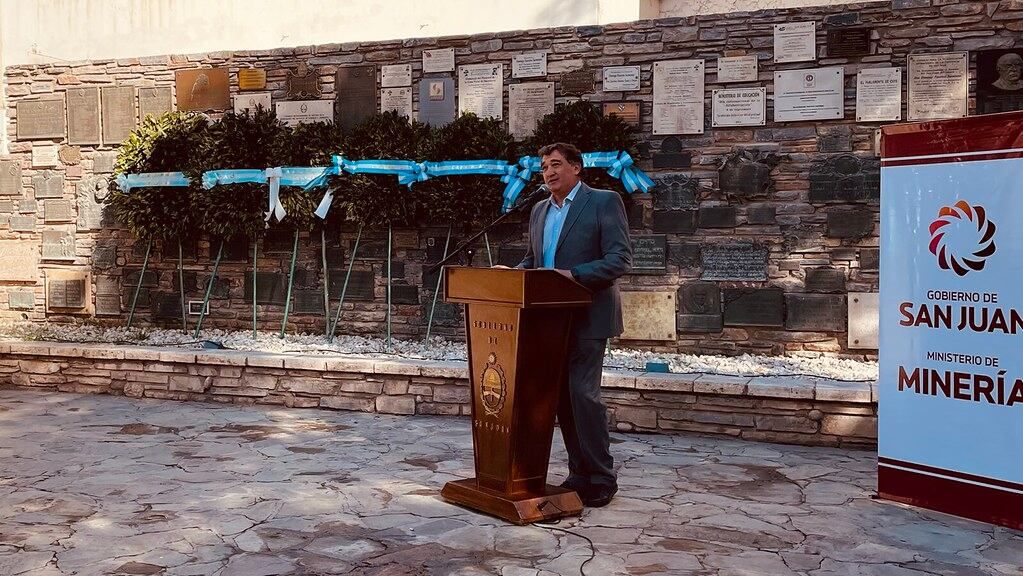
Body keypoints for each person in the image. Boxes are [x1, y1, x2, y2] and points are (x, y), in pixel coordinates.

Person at [515, 142, 632, 507]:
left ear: (576, 167)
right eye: (544, 168)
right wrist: (511, 275)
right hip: (548, 321)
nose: (548, 173)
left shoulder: (602, 202)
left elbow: (619, 259)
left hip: (588, 315)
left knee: (583, 395)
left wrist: (573, 275)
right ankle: (578, 472)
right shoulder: (537, 211)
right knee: (562, 399)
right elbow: (535, 261)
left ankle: (601, 476)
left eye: (555, 165)